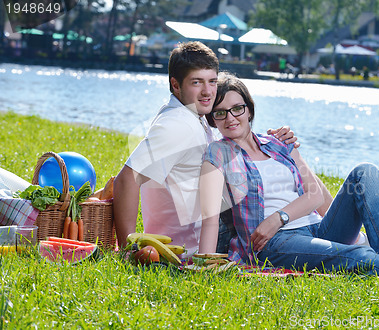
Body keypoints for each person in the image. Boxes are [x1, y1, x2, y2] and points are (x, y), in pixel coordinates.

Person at [198, 73, 379, 286]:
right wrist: (204, 261)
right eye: (220, 113)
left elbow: (315, 195)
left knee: (364, 172)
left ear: (249, 109)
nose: (230, 118)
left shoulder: (277, 142)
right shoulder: (218, 154)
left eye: (237, 108)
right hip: (273, 244)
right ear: (213, 120)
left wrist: (278, 216)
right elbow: (210, 216)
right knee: (351, 256)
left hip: (315, 228)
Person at [113, 42, 296, 255]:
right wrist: (127, 250)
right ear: (176, 85)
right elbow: (126, 180)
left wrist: (274, 142)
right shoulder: (176, 125)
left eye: (212, 81)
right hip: (197, 244)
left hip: (210, 233)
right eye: (197, 82)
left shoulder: (191, 116)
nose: (207, 91)